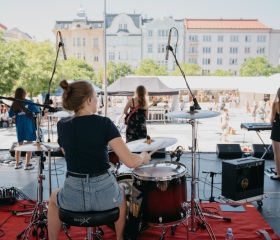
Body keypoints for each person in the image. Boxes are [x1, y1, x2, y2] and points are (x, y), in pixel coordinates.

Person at [47, 80, 151, 240]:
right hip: (105, 194)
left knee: (53, 199)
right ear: (89, 100)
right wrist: (143, 157)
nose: (97, 101)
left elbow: (66, 152)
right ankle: (119, 237)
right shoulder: (104, 123)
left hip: (73, 193)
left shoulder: (62, 125)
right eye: (96, 97)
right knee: (121, 194)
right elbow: (130, 161)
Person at [9, 87, 40, 170]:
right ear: (24, 94)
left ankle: (17, 163)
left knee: (19, 145)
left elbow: (10, 115)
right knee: (29, 144)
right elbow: (38, 111)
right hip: (29, 126)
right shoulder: (29, 102)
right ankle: (27, 164)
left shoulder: (14, 104)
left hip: (20, 127)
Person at [270, 87, 280, 180]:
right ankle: (277, 169)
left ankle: (278, 173)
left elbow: (272, 120)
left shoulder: (276, 104)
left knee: (277, 152)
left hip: (277, 129)